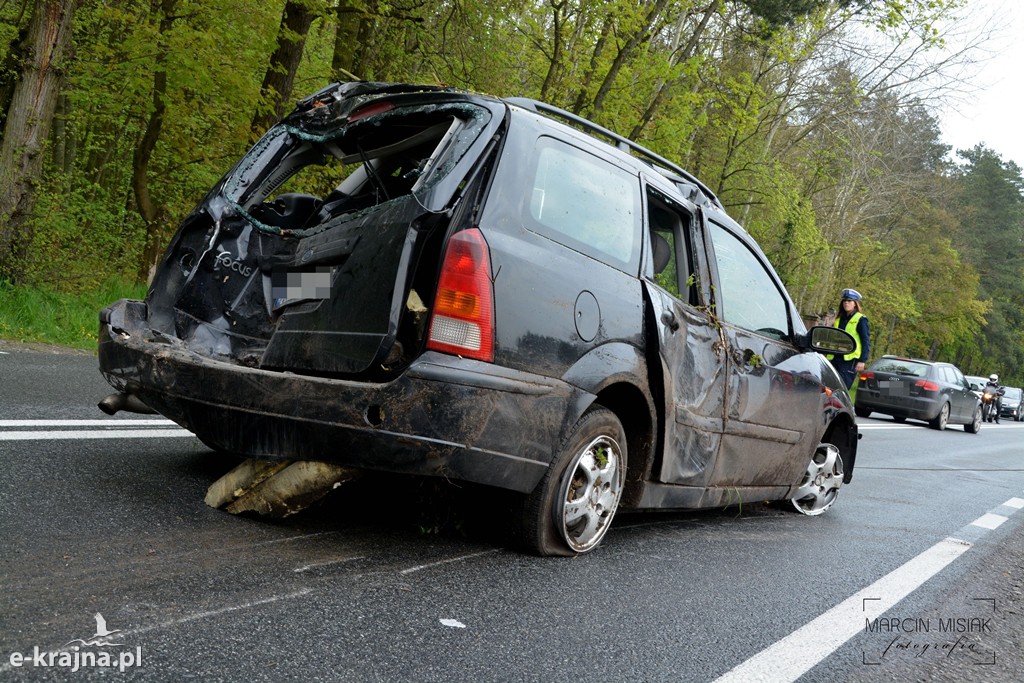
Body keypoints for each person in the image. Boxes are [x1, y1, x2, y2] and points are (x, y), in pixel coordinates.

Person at [828, 288, 870, 389]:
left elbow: (865, 341)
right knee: (828, 386)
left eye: (849, 301)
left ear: (855, 304)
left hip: (849, 360)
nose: (846, 303)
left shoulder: (861, 319)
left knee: (842, 388)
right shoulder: (838, 319)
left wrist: (862, 360)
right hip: (834, 358)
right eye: (844, 301)